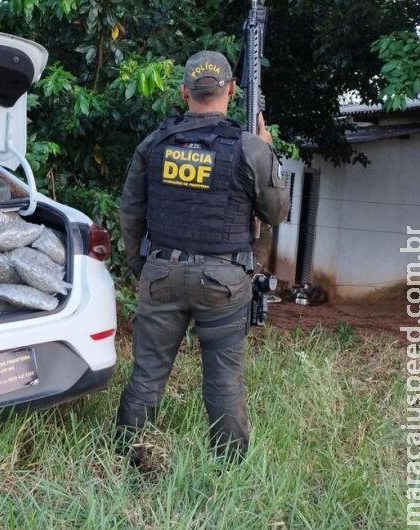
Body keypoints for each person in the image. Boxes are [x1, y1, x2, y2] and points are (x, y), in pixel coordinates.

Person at [115, 50, 290, 461]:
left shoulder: (154, 143)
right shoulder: (250, 147)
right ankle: (227, 469)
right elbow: (277, 213)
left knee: (147, 374)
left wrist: (144, 267)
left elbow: (130, 211)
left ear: (184, 91)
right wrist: (268, 151)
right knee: (225, 379)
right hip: (224, 279)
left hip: (161, 271)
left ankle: (125, 457)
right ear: (230, 90)